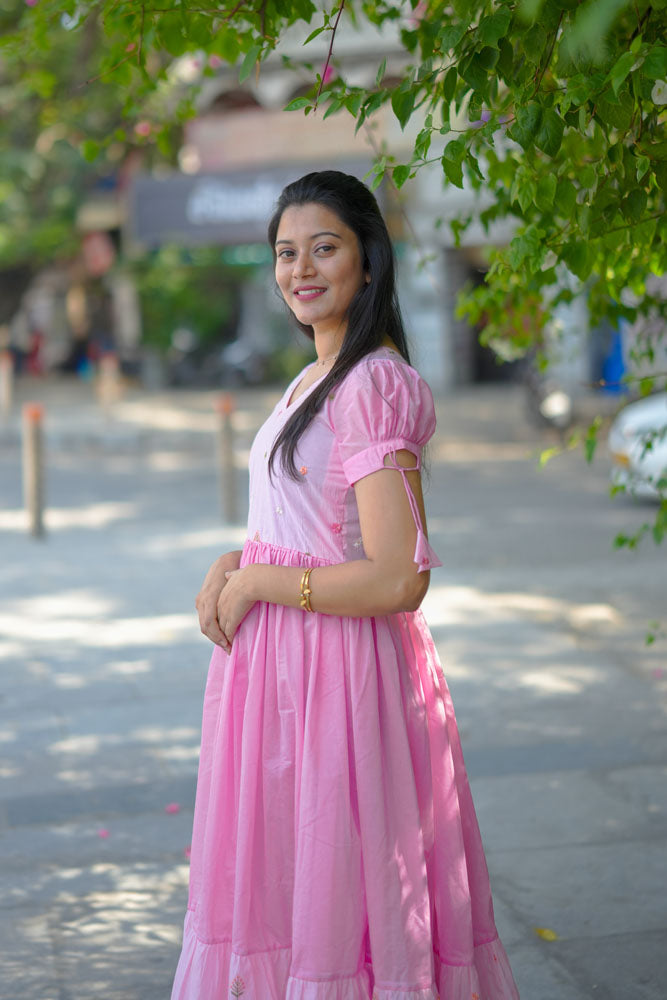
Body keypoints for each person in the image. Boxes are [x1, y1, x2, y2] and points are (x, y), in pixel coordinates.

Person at [171, 170, 519, 1000]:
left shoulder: (371, 384)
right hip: (282, 675)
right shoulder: (316, 376)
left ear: (368, 260)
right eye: (285, 252)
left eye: (323, 248)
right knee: (295, 891)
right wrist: (235, 562)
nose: (301, 269)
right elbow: (318, 527)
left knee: (346, 895)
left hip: (339, 676)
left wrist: (260, 583)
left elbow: (398, 576)